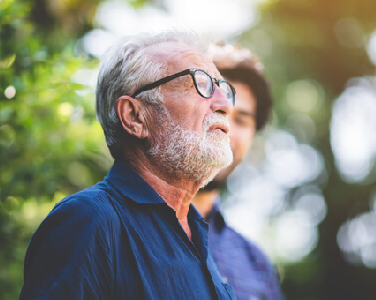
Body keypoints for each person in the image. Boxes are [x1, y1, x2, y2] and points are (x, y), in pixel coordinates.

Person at [20, 31, 238, 299]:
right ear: (135, 116)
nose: (224, 104)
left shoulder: (197, 235)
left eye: (223, 88)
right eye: (200, 83)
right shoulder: (89, 221)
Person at [191, 43, 282, 300]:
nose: (225, 126)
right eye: (217, 109)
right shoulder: (114, 229)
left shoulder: (257, 266)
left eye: (241, 119)